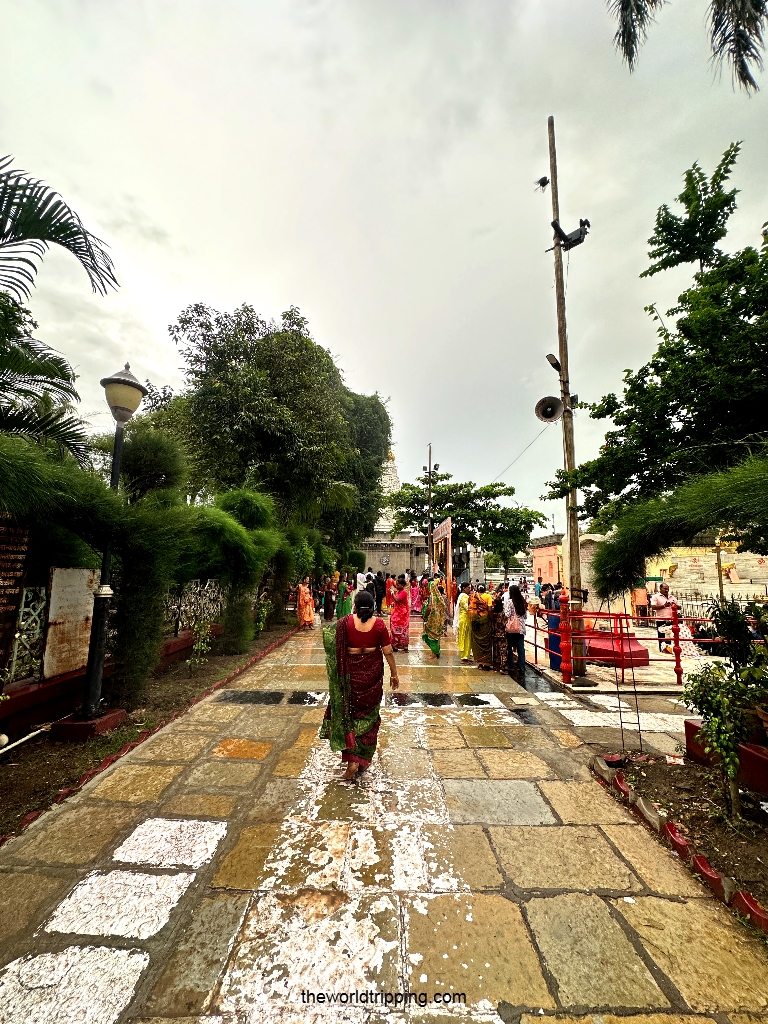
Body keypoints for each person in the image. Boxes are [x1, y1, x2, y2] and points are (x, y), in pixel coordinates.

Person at [320, 589, 400, 780]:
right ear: (373, 607)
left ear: (354, 605)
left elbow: (330, 642)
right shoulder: (379, 624)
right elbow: (388, 651)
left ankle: (352, 763)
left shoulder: (345, 623)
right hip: (371, 678)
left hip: (350, 679)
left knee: (349, 715)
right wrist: (394, 675)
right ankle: (361, 761)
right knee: (369, 719)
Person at [504, 584, 528, 681]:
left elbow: (507, 614)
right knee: (521, 648)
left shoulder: (510, 602)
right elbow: (525, 616)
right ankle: (522, 667)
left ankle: (511, 665)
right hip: (521, 628)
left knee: (509, 646)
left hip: (511, 628)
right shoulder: (522, 601)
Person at [469, 583, 494, 670]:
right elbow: (490, 609)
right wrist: (492, 621)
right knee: (486, 642)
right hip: (485, 622)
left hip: (475, 622)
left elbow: (470, 609)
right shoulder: (488, 596)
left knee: (476, 643)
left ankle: (479, 664)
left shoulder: (472, 596)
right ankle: (486, 664)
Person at [422, 579, 447, 659]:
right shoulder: (439, 597)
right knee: (436, 636)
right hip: (438, 620)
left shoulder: (431, 597)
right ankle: (437, 651)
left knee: (431, 636)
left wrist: (425, 616)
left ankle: (433, 654)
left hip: (432, 620)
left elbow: (429, 608)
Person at [650, 583, 677, 654]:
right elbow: (653, 607)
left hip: (670, 619)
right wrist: (664, 606)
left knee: (670, 635)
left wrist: (674, 605)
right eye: (665, 589)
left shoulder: (672, 597)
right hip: (661, 619)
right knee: (661, 635)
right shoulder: (656, 597)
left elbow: (679, 606)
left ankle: (669, 649)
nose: (666, 590)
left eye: (667, 589)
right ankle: (662, 650)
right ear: (660, 589)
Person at [389, 573, 411, 651]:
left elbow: (397, 599)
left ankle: (403, 644)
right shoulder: (399, 591)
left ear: (402, 585)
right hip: (397, 612)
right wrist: (393, 603)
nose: (396, 586)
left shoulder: (404, 592)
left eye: (398, 585)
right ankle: (395, 644)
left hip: (402, 614)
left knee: (402, 629)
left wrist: (392, 593)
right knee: (394, 628)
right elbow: (397, 601)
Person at [453, 581, 472, 661]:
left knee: (467, 638)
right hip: (464, 619)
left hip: (466, 619)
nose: (470, 589)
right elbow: (467, 607)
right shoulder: (464, 597)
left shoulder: (463, 596)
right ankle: (464, 656)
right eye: (468, 588)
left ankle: (466, 656)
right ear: (464, 588)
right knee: (464, 638)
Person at [491, 592, 509, 674]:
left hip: (494, 634)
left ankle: (496, 667)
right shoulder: (502, 614)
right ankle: (503, 667)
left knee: (496, 651)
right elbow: (504, 624)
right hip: (502, 634)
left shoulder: (492, 614)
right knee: (503, 651)